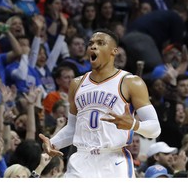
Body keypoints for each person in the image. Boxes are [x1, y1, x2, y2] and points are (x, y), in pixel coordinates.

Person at [39, 28, 161, 178]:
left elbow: (155, 128)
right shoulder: (76, 84)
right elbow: (72, 128)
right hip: (81, 159)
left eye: (100, 43)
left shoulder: (131, 82)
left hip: (113, 160)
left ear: (114, 51)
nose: (93, 46)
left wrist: (133, 125)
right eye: (91, 43)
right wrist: (53, 143)